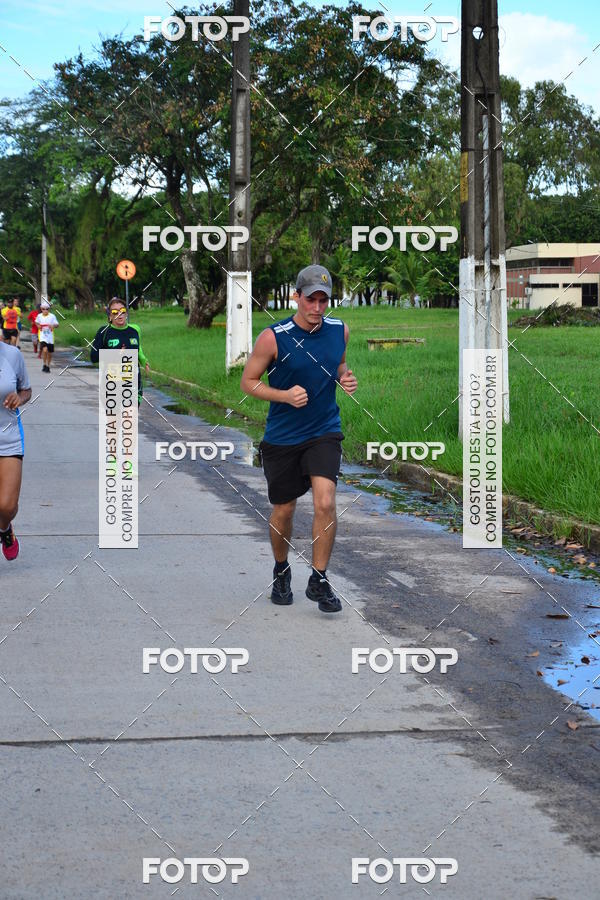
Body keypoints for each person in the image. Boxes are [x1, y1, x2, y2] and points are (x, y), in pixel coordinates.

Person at [240, 264, 358, 613]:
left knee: (325, 502)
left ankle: (319, 579)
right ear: (297, 297)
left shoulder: (340, 331)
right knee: (284, 509)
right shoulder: (273, 337)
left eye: (324, 300)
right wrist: (284, 395)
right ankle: (281, 571)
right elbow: (248, 382)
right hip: (282, 437)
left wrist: (344, 379)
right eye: (311, 299)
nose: (317, 307)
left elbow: (338, 365)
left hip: (323, 431)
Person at [0, 340, 32, 560]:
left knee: (7, 505)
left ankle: (4, 528)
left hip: (8, 439)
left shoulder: (12, 355)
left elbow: (26, 390)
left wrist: (19, 398)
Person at [89, 298, 150, 403]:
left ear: (126, 313)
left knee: (129, 417)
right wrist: (115, 354)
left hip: (133, 383)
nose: (119, 314)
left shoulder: (135, 330)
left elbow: (138, 348)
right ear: (110, 316)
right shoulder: (103, 332)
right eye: (114, 312)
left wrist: (144, 360)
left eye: (122, 311)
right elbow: (93, 357)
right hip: (111, 385)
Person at [35, 301, 59, 372]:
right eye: (43, 309)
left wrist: (53, 325)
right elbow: (36, 322)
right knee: (45, 350)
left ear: (49, 309)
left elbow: (57, 325)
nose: (45, 310)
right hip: (42, 336)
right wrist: (38, 325)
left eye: (47, 309)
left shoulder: (52, 316)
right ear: (41, 309)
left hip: (50, 337)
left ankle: (48, 366)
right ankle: (44, 364)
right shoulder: (39, 316)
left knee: (50, 353)